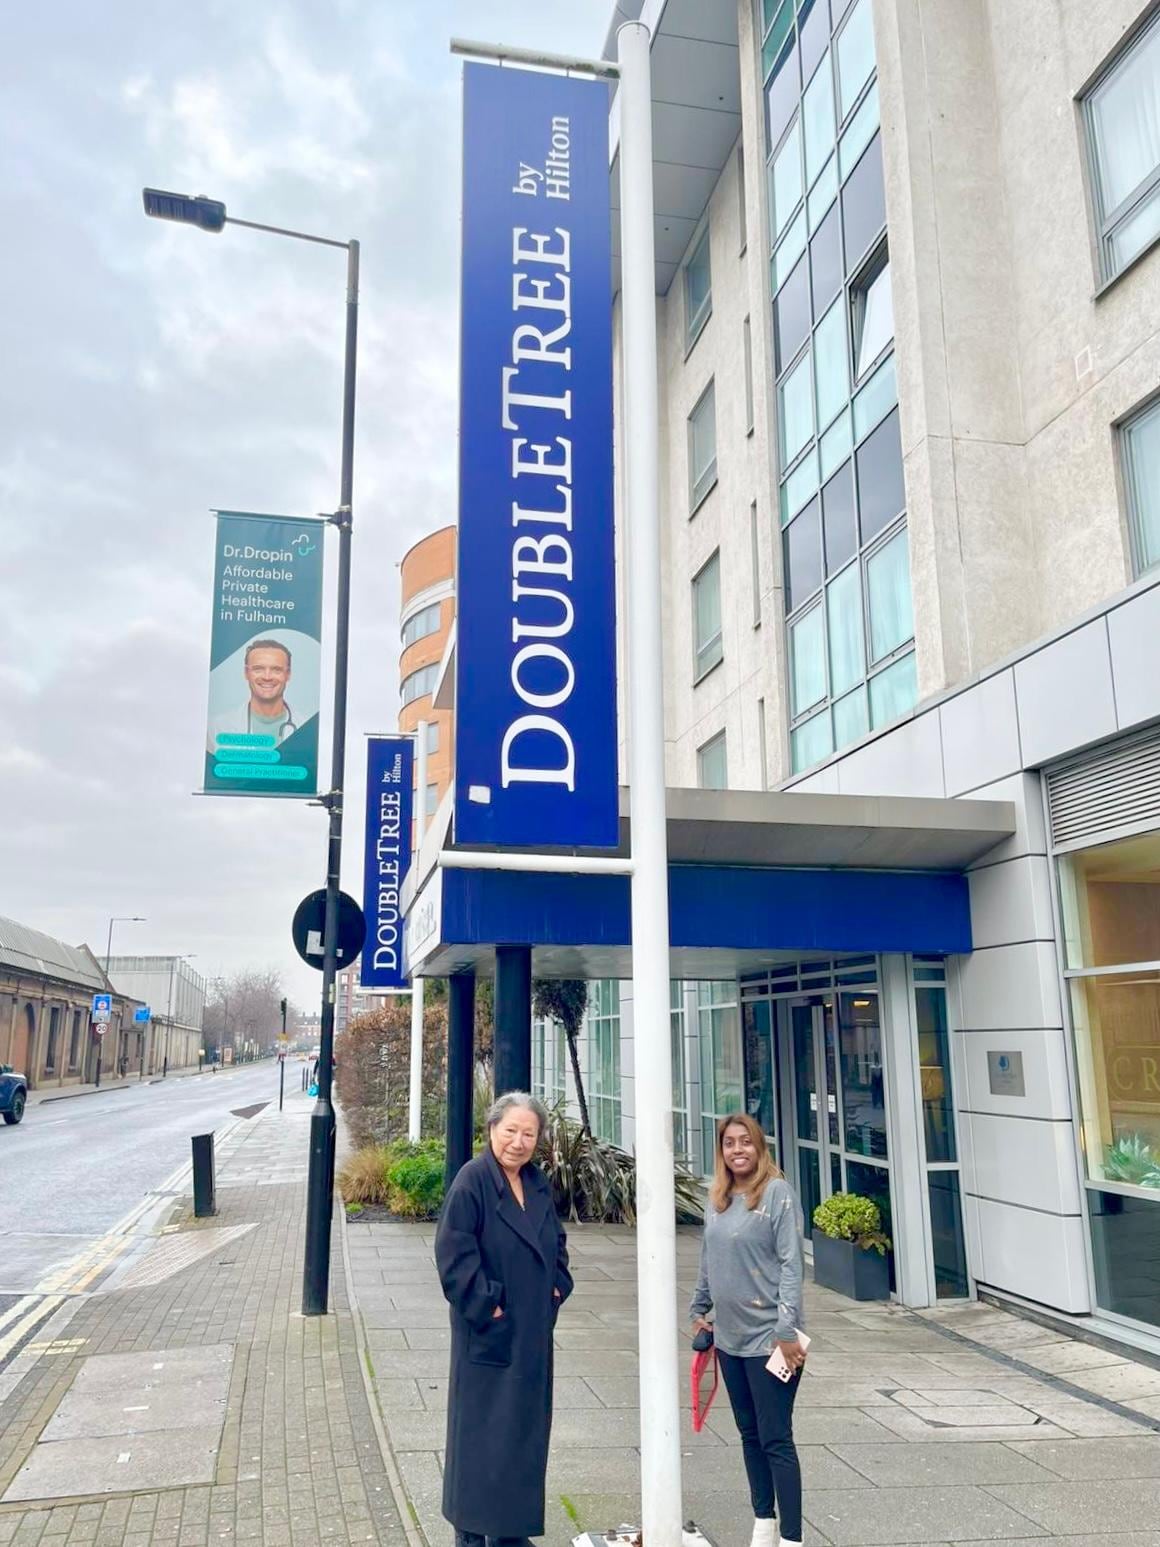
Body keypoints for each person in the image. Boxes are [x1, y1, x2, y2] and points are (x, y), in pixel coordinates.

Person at [435, 1091, 572, 1547]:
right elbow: (454, 1256)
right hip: (489, 1338)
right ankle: (471, 1533)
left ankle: (510, 1532)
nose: (518, 1141)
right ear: (492, 1129)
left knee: (522, 1441)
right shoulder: (472, 1181)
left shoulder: (536, 1182)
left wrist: (557, 1285)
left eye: (528, 1133)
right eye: (510, 1130)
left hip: (531, 1336)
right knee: (481, 1443)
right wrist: (490, 1307)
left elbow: (556, 1241)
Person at [691, 1112, 807, 1547]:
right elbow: (709, 1257)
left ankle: (792, 1539)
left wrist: (787, 1330)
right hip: (730, 1339)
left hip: (773, 1341)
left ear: (759, 1146)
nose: (737, 1149)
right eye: (729, 1143)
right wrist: (698, 1306)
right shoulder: (718, 1198)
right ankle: (763, 1525)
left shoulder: (776, 1193)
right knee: (749, 1435)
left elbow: (792, 1264)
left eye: (745, 1141)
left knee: (776, 1438)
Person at [206, 638, 300, 751]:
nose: (267, 677)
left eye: (276, 670)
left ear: (288, 674)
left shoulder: (305, 726)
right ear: (246, 673)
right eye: (258, 669)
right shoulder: (217, 727)